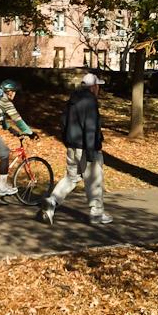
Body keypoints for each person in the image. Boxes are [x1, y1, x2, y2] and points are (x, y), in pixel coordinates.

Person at [40, 72, 112, 225]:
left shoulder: (73, 99)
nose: (99, 89)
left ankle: (52, 201)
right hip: (87, 147)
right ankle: (97, 214)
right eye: (98, 86)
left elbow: (63, 122)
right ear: (93, 87)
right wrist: (91, 152)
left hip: (72, 146)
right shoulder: (90, 101)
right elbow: (90, 128)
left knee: (71, 178)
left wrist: (67, 141)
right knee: (94, 180)